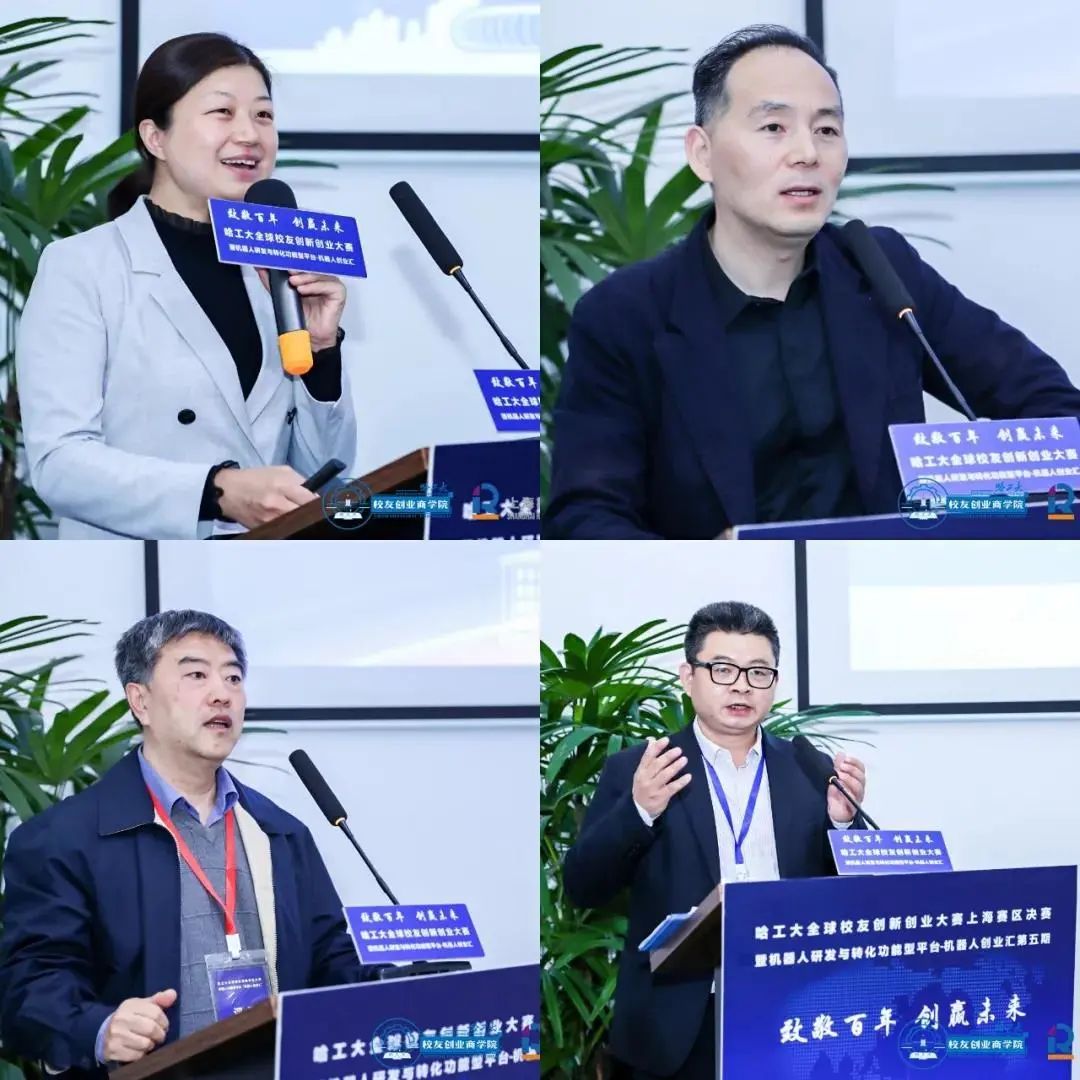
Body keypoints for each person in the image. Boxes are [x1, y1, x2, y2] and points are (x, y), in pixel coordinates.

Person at [546, 24, 1080, 540]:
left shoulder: (881, 272)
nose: (807, 153)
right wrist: (711, 565)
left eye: (826, 130)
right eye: (773, 128)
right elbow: (586, 518)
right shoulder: (626, 315)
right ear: (702, 154)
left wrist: (975, 511)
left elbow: (1056, 412)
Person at [0, 610, 374, 1075]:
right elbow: (29, 986)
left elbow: (330, 958)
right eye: (197, 675)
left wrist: (400, 984)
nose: (222, 694)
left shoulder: (280, 832)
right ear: (141, 702)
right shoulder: (61, 839)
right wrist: (99, 1028)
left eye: (233, 677)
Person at [16, 33, 357, 539]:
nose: (250, 134)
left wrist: (322, 352)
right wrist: (214, 491)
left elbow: (324, 470)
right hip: (138, 557)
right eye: (223, 112)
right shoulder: (83, 266)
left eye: (263, 115)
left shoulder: (280, 270)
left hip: (264, 561)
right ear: (155, 137)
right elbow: (59, 463)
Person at [562, 601, 867, 1079]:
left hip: (792, 1006)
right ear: (688, 677)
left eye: (758, 672)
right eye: (723, 669)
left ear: (774, 682)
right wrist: (640, 811)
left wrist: (843, 826)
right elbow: (583, 887)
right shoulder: (642, 769)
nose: (741, 685)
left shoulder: (810, 768)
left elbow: (855, 894)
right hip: (680, 1021)